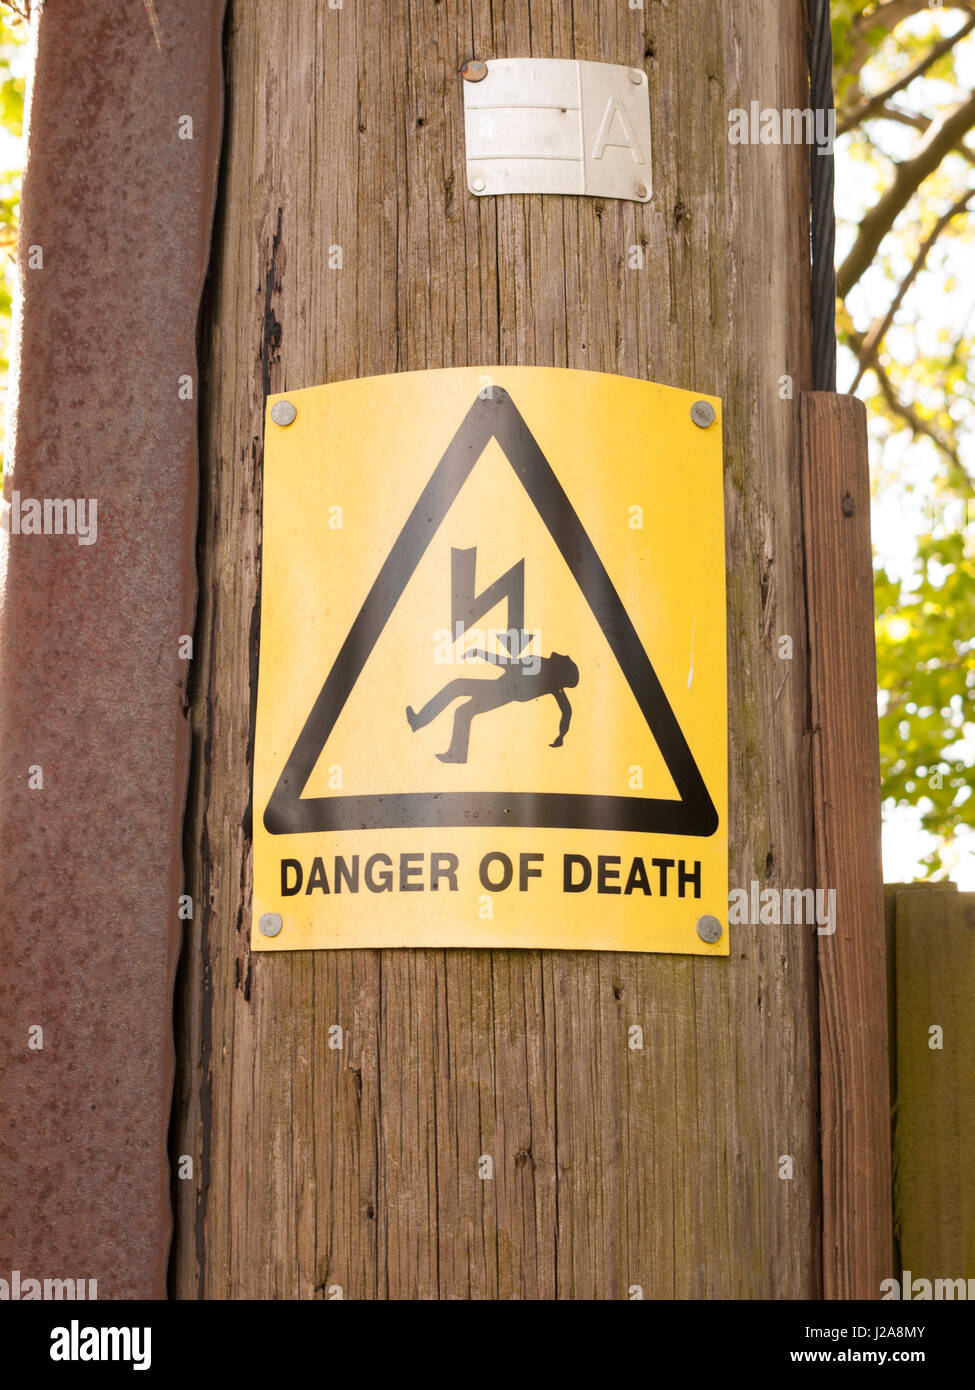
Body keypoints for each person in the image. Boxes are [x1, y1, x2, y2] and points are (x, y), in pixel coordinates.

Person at [406, 647, 580, 764]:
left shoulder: (540, 665)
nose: (561, 654)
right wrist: (561, 736)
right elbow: (567, 711)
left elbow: (509, 664)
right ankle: (456, 753)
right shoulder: (553, 684)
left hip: (500, 690)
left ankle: (423, 725)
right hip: (503, 692)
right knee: (463, 710)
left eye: (565, 660)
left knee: (458, 691)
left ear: (561, 668)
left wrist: (481, 653)